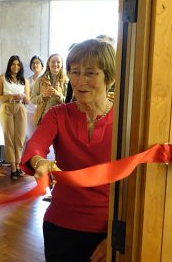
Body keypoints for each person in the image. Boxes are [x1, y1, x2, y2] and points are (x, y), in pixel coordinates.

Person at [20, 38, 116, 262]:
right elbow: (35, 145)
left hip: (108, 229)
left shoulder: (125, 119)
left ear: (108, 77)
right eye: (75, 72)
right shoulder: (58, 114)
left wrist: (116, 235)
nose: (80, 81)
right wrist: (39, 162)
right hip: (60, 225)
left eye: (91, 73)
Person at [0, 55, 30, 180]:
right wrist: (11, 96)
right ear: (9, 65)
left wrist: (22, 97)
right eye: (13, 64)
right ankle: (13, 168)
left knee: (20, 138)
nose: (15, 67)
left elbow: (29, 100)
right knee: (9, 137)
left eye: (18, 64)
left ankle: (19, 164)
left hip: (21, 108)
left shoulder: (24, 80)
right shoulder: (2, 78)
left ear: (20, 66)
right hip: (7, 108)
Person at [31, 53, 68, 126]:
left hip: (60, 121)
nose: (55, 64)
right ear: (48, 63)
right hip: (43, 119)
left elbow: (69, 103)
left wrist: (58, 95)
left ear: (61, 65)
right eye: (53, 62)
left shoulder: (66, 81)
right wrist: (43, 96)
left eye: (58, 62)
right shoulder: (40, 80)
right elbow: (32, 100)